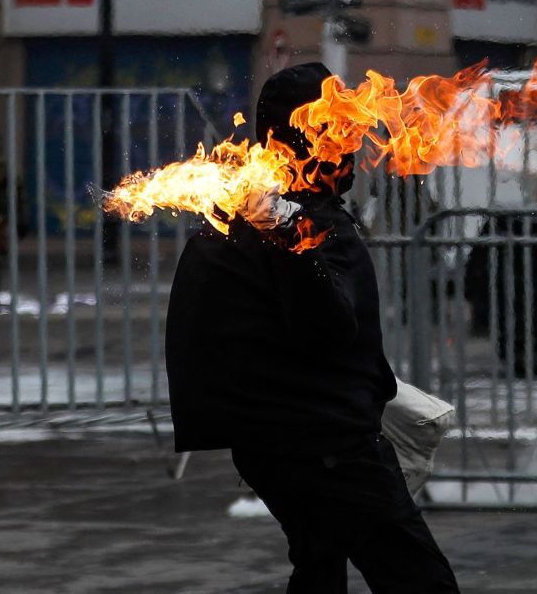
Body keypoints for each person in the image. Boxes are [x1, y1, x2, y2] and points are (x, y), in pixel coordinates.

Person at [165, 62, 460, 593]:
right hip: (325, 444)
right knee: (419, 579)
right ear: (314, 136)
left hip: (277, 442)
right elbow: (325, 330)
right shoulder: (291, 223)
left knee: (319, 564)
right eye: (342, 128)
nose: (352, 144)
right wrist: (292, 241)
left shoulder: (247, 210)